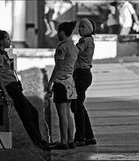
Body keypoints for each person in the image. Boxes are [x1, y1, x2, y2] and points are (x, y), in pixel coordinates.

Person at [0, 29, 50, 151]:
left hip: (14, 86)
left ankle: (39, 140)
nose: (10, 41)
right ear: (1, 41)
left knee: (33, 112)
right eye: (7, 39)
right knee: (26, 115)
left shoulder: (3, 53)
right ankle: (39, 143)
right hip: (10, 87)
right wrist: (6, 94)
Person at [47, 21, 78, 150]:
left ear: (62, 32)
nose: (57, 34)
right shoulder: (74, 47)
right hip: (70, 83)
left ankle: (63, 141)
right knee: (68, 113)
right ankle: (71, 140)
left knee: (61, 114)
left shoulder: (62, 48)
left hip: (60, 83)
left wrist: (50, 83)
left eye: (58, 32)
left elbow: (58, 67)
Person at [71, 18, 97, 146]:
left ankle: (80, 138)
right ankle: (89, 137)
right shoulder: (90, 40)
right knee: (79, 105)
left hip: (81, 75)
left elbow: (74, 53)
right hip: (85, 74)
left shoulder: (84, 40)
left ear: (89, 29)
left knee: (77, 106)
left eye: (83, 27)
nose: (80, 29)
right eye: (79, 27)